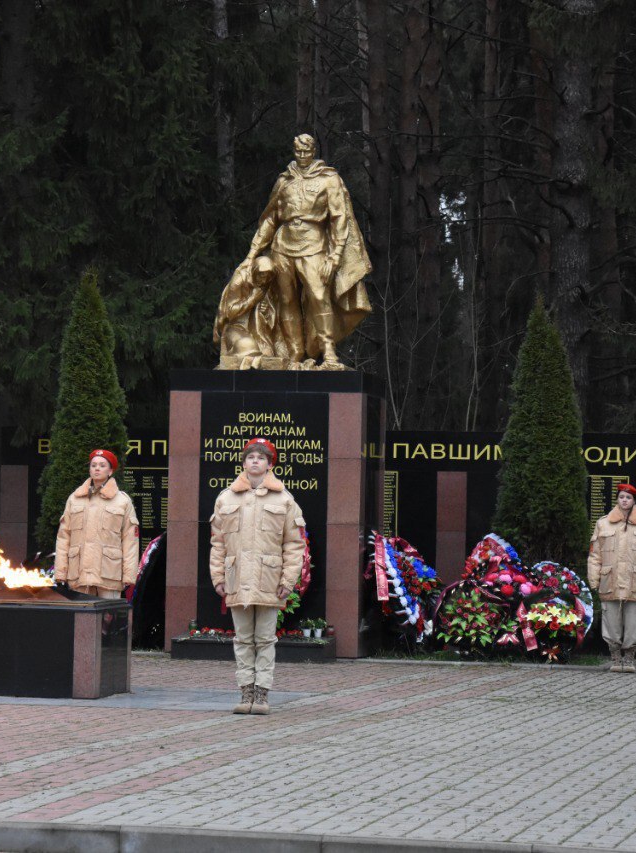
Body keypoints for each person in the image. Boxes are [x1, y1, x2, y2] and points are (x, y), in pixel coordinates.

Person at [237, 133, 372, 370]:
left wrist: (336, 255)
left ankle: (329, 353)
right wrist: (253, 253)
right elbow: (270, 219)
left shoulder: (329, 179)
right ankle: (295, 354)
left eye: (306, 152)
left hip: (314, 244)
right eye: (298, 152)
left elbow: (339, 218)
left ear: (314, 151)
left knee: (319, 297)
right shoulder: (283, 181)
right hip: (282, 245)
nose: (302, 156)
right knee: (286, 300)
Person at [209, 437, 305, 714]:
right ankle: (245, 692)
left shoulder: (284, 499)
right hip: (237, 578)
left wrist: (288, 581)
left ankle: (262, 694)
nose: (255, 461)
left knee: (264, 639)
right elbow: (218, 543)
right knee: (242, 639)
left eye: (261, 458)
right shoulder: (226, 498)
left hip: (269, 580)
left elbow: (294, 544)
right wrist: (218, 577)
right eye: (250, 457)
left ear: (269, 464)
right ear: (243, 462)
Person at [586, 483, 636, 673]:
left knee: (633, 621)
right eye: (621, 497)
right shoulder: (603, 523)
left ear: (634, 501)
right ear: (617, 499)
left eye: (628, 497)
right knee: (610, 619)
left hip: (635, 582)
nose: (624, 500)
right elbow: (595, 555)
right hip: (609, 580)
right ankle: (615, 656)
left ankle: (629, 657)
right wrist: (593, 579)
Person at [54, 449, 139, 598]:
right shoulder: (74, 499)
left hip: (109, 574)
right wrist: (61, 572)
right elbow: (63, 537)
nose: (97, 468)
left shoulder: (122, 501)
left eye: (102, 465)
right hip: (79, 575)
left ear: (110, 471)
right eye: (93, 465)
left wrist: (129, 575)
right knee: (80, 619)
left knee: (109, 619)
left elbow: (130, 540)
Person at [213, 256, 290, 370]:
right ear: (254, 271)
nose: (264, 281)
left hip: (258, 331)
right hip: (236, 327)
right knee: (246, 345)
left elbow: (273, 317)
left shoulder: (266, 286)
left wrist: (267, 312)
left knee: (267, 353)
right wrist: (252, 300)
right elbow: (228, 313)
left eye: (267, 278)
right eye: (261, 275)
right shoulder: (239, 280)